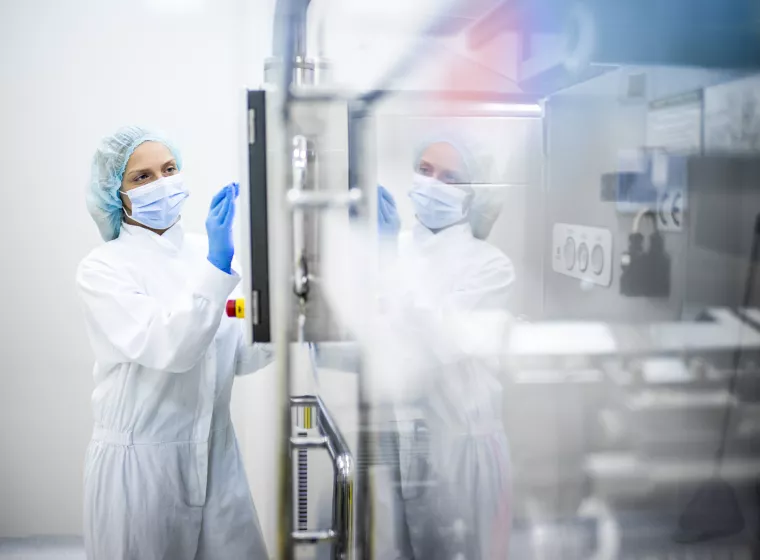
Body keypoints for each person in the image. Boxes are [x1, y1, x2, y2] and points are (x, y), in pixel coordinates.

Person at [76, 126, 271, 560]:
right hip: (142, 470)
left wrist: (280, 317)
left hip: (218, 457)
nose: (162, 184)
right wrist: (218, 268)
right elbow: (172, 348)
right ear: (116, 194)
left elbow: (239, 357)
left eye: (169, 169)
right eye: (142, 178)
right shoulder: (104, 269)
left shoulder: (212, 253)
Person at [374, 135, 515, 560]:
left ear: (474, 196)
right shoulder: (390, 248)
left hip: (461, 455)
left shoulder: (490, 266)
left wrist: (386, 269)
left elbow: (438, 340)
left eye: (451, 178)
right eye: (425, 169)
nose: (432, 183)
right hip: (393, 446)